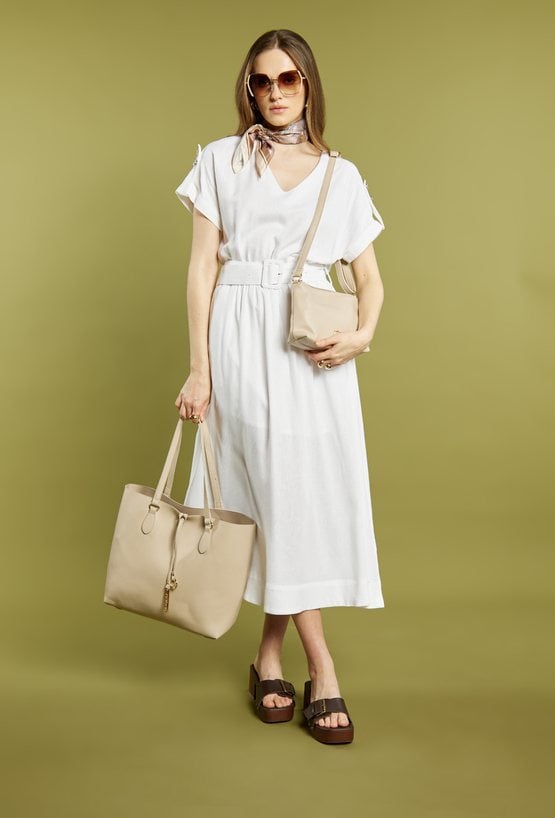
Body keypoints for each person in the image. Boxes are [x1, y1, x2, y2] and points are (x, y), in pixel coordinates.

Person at [173, 28, 386, 745]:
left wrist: (360, 336)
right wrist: (199, 368)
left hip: (310, 350)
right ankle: (322, 668)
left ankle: (269, 656)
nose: (273, 92)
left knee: (292, 496)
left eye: (287, 79)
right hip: (239, 340)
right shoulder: (219, 160)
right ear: (248, 88)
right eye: (260, 81)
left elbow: (369, 280)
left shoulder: (341, 175)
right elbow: (201, 269)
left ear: (308, 84)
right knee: (267, 490)